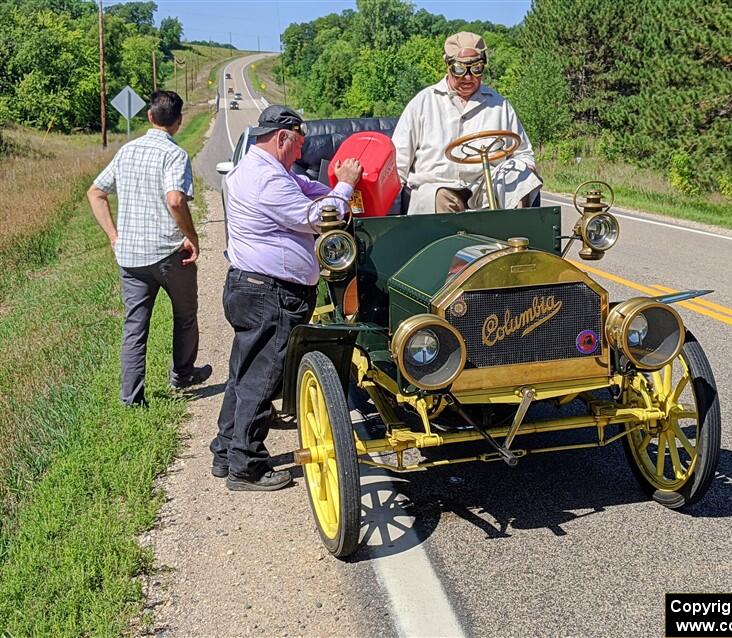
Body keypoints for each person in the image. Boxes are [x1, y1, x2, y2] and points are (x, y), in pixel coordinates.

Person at [211, 105, 362, 491]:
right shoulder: (267, 180)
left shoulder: (261, 171)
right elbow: (315, 217)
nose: (301, 153)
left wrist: (331, 187)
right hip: (271, 293)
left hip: (254, 287)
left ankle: (225, 449)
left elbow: (307, 189)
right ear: (282, 137)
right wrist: (345, 187)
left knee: (243, 373)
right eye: (298, 145)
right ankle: (247, 465)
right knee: (262, 378)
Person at [87, 90, 211, 407]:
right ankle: (182, 375)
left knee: (135, 327)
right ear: (179, 122)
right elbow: (175, 199)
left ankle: (131, 399)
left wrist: (114, 236)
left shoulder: (127, 151)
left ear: (150, 117)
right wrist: (191, 236)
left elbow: (95, 193)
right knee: (184, 316)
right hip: (170, 254)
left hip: (130, 258)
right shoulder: (175, 155)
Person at [392, 31, 542, 214]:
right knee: (440, 197)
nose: (468, 78)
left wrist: (522, 171)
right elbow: (397, 163)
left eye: (476, 68)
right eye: (460, 69)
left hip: (485, 190)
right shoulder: (423, 103)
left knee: (520, 175)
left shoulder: (500, 105)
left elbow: (524, 154)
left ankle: (517, 237)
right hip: (438, 187)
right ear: (447, 65)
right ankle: (446, 242)